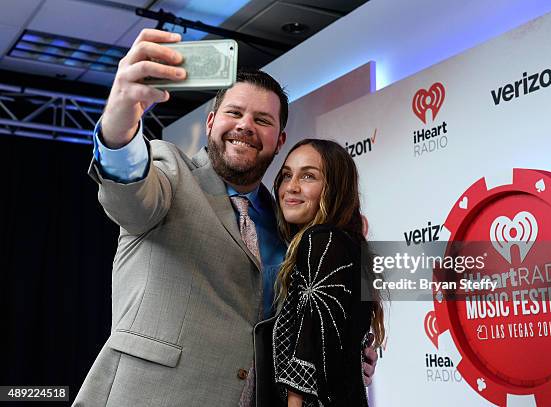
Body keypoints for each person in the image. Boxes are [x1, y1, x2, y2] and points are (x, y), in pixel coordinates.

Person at [74, 29, 377, 407]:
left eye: (263, 120)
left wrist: (352, 347)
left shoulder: (291, 227)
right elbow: (129, 194)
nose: (246, 125)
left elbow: (312, 312)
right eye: (235, 113)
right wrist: (120, 124)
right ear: (211, 121)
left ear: (279, 140)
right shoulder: (169, 171)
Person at [254, 139, 385, 407]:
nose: (291, 186)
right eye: (287, 175)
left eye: (308, 176)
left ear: (334, 188)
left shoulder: (320, 240)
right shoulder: (347, 244)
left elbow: (308, 354)